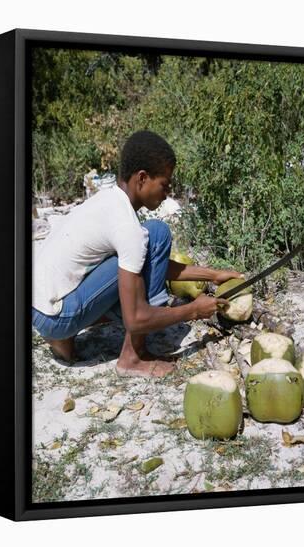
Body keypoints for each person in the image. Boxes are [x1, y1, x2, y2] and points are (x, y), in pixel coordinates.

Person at [32, 130, 242, 378]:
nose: (168, 192)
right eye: (165, 184)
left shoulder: (107, 200)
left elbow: (152, 264)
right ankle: (132, 357)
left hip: (39, 307)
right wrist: (194, 311)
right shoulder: (127, 227)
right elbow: (135, 319)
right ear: (142, 178)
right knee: (158, 233)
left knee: (150, 239)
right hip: (59, 314)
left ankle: (62, 336)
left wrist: (212, 275)